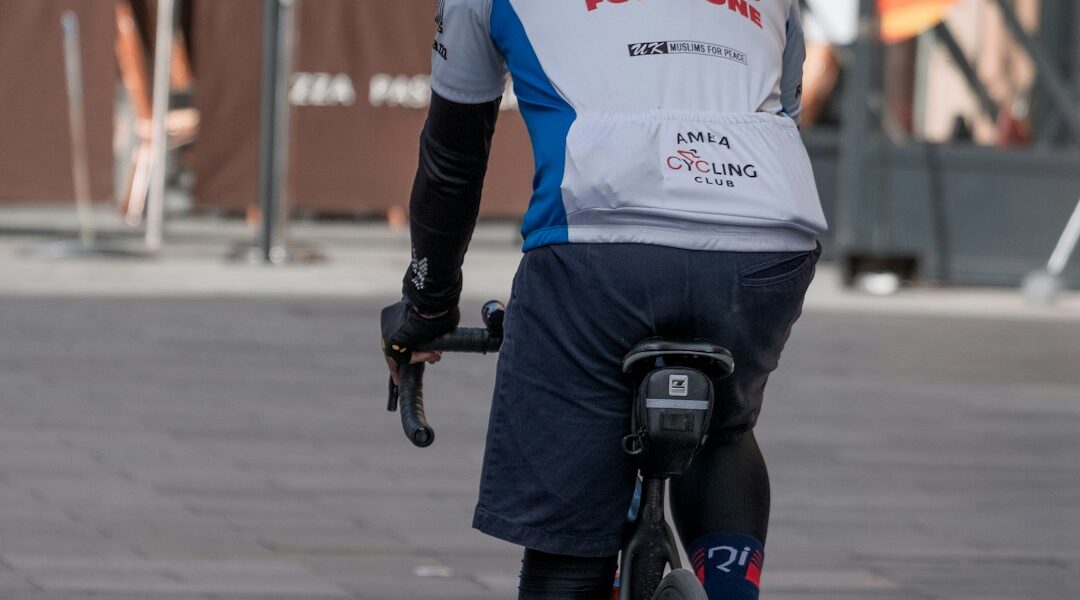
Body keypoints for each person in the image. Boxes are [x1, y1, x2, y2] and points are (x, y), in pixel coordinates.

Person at [382, 1, 827, 598]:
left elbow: (453, 158)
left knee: (566, 545)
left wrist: (427, 306)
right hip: (766, 236)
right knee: (724, 426)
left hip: (597, 242)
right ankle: (730, 585)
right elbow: (784, 113)